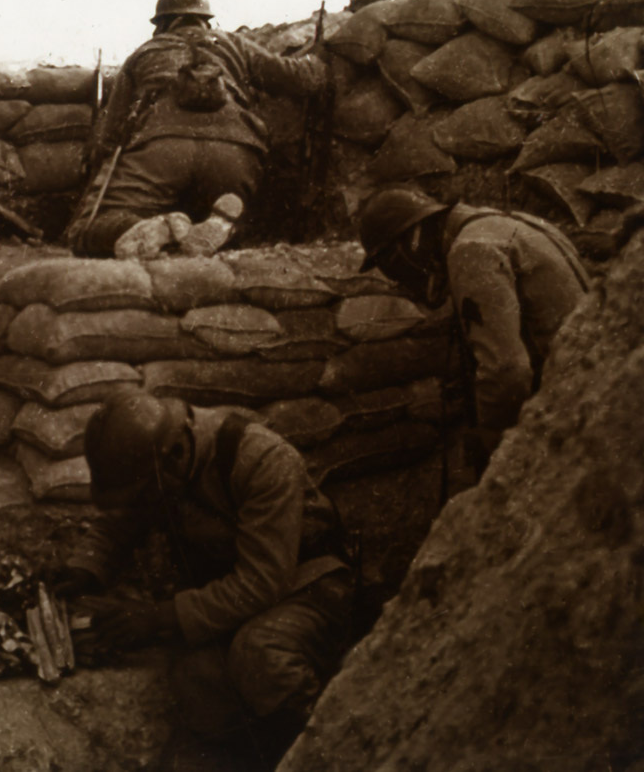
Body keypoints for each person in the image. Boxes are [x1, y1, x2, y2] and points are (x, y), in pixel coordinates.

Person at [55, 388, 354, 771]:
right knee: (195, 677)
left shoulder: (259, 458)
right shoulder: (162, 466)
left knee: (259, 653)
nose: (142, 503)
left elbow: (262, 582)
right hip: (238, 597)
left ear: (176, 457)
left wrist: (157, 617)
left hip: (307, 587)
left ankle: (326, 757)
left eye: (144, 492)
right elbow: (119, 523)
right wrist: (85, 569)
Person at [66, 0, 330, 258]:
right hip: (235, 153)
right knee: (232, 211)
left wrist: (101, 168)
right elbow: (300, 79)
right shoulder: (236, 44)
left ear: (165, 23)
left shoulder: (144, 52)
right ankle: (222, 230)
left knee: (90, 229)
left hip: (161, 150)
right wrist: (321, 57)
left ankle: (150, 227)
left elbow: (110, 133)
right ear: (206, 22)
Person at [357, 188, 589, 469]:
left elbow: (506, 370)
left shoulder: (471, 250)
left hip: (572, 409)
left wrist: (493, 441)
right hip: (595, 387)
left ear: (412, 241)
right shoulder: (509, 223)